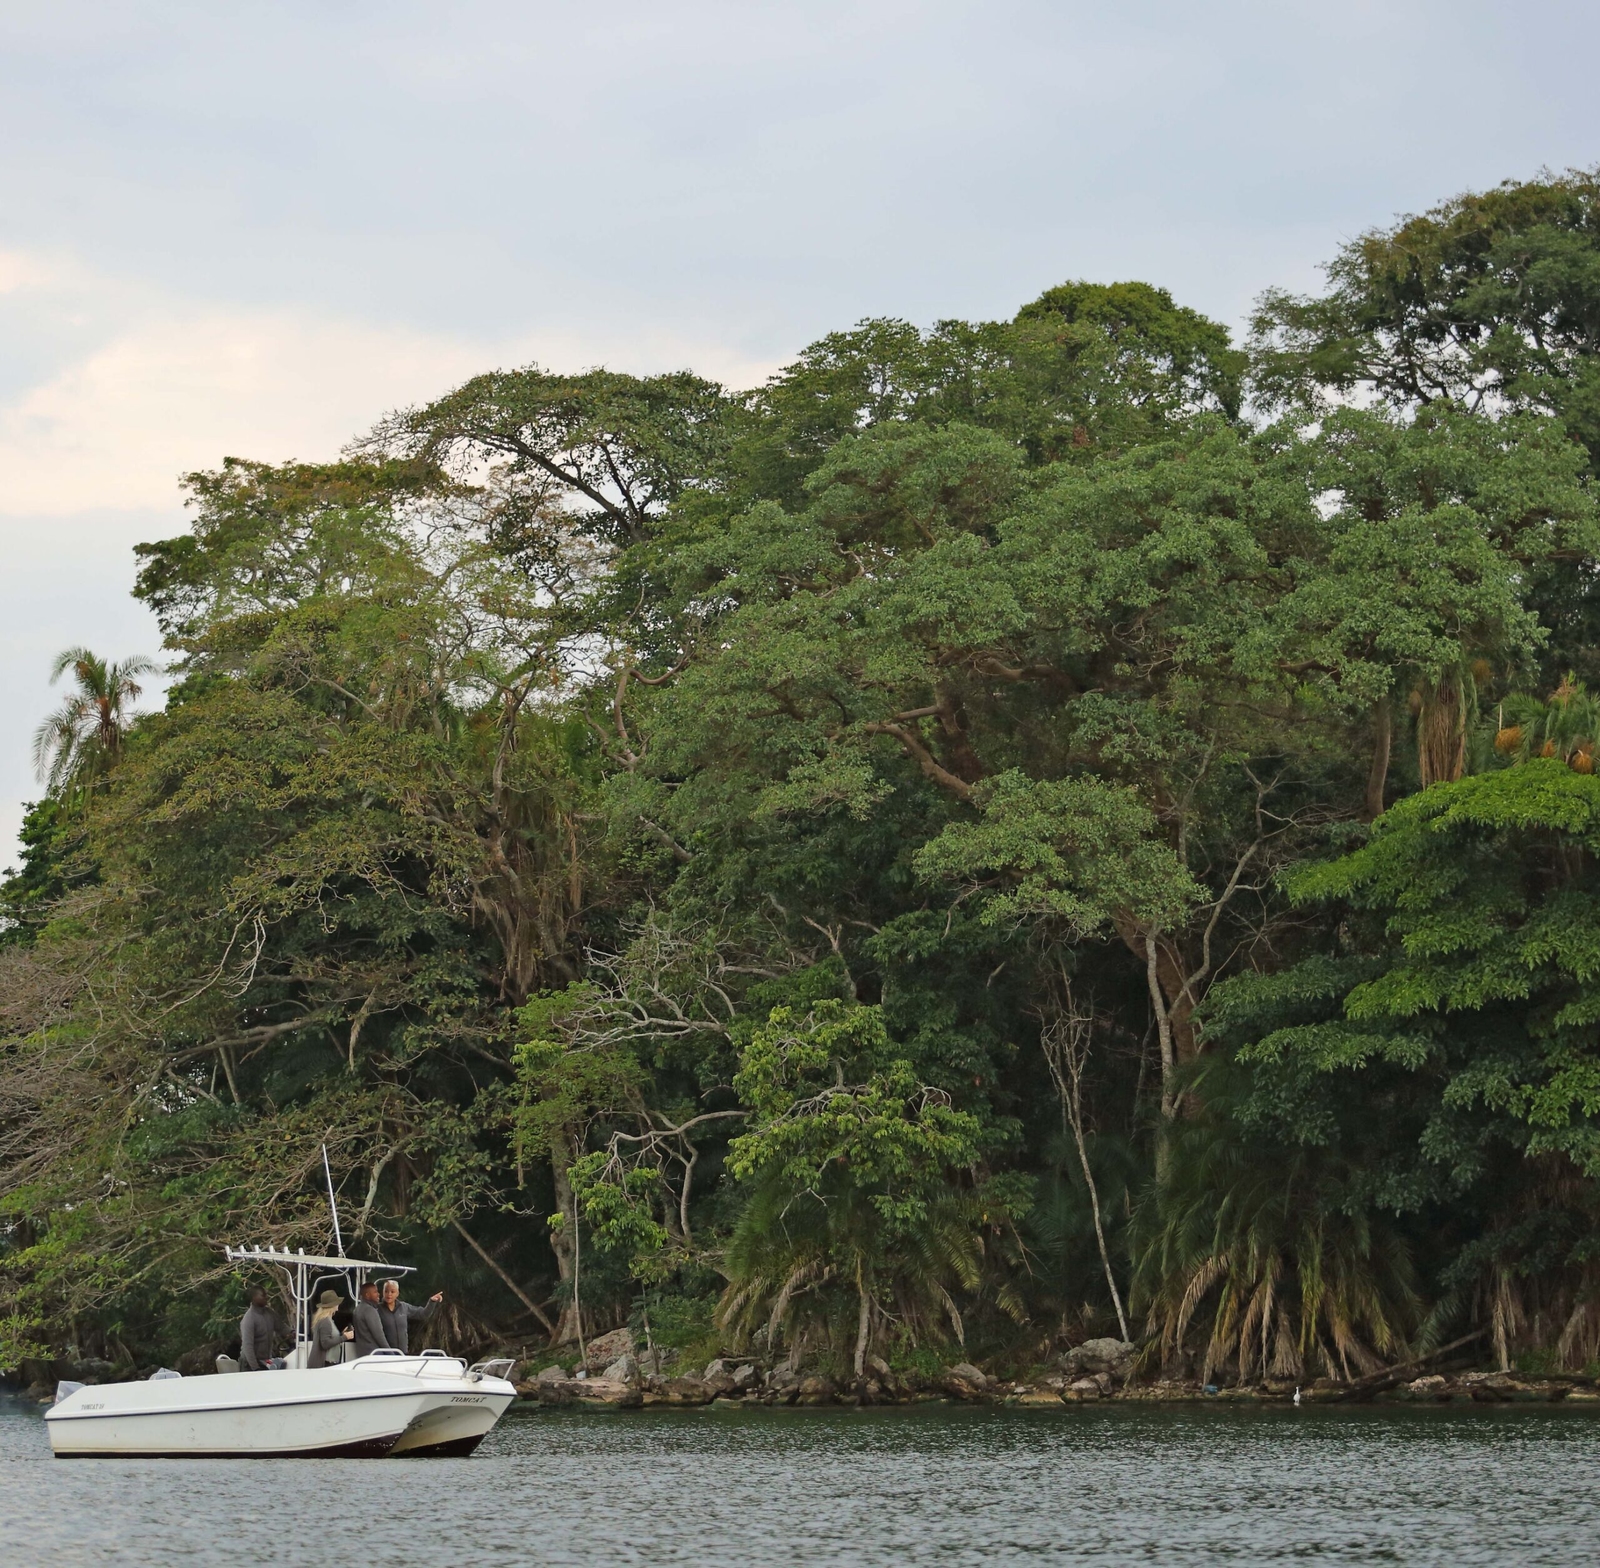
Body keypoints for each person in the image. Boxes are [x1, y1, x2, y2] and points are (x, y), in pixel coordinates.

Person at [377, 1278, 444, 1354]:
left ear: (397, 1293)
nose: (389, 1294)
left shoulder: (404, 1307)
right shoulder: (377, 1309)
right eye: (386, 1291)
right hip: (385, 1354)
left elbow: (423, 1314)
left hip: (403, 1353)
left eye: (392, 1292)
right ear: (383, 1292)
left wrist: (432, 1301)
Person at [238, 1286, 281, 1371]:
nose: (266, 1298)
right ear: (254, 1298)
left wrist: (292, 1333)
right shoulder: (249, 1318)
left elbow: (281, 1327)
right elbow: (247, 1346)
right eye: (263, 1296)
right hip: (249, 1363)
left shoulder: (269, 1313)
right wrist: (255, 1368)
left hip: (264, 1361)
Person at [307, 1288, 353, 1368]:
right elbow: (325, 1344)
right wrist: (345, 1337)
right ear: (333, 1305)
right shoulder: (325, 1321)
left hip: (326, 1363)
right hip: (324, 1364)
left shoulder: (326, 1320)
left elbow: (327, 1339)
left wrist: (341, 1335)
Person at [349, 1280, 390, 1359]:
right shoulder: (370, 1310)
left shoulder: (357, 1309)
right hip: (374, 1353)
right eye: (375, 1292)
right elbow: (379, 1336)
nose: (378, 1294)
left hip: (362, 1353)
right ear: (367, 1295)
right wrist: (391, 1353)